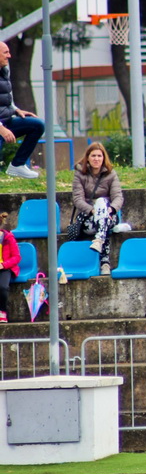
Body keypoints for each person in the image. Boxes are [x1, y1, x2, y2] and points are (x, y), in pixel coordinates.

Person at [70, 142, 124, 276]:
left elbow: (118, 198)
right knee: (101, 212)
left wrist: (108, 210)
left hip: (108, 215)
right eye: (93, 155)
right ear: (87, 157)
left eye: (99, 156)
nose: (96, 159)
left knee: (102, 203)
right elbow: (78, 199)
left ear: (104, 158)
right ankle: (105, 262)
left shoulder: (111, 174)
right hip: (88, 218)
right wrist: (94, 211)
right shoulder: (79, 174)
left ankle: (100, 240)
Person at [0, 41, 45, 179]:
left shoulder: (4, 70)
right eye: (5, 52)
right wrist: (1, 129)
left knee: (37, 125)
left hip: (6, 121)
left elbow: (5, 97)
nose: (9, 55)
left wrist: (16, 110)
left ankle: (17, 165)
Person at [0, 212, 21, 324]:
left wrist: (3, 265)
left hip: (5, 268)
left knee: (3, 287)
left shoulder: (8, 238)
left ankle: (2, 311)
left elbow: (17, 257)